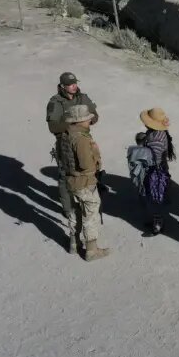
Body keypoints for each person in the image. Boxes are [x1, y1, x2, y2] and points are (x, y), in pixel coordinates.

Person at [46, 72, 98, 254]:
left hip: (83, 139)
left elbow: (95, 114)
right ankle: (69, 209)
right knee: (66, 176)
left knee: (84, 175)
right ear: (62, 86)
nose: (74, 86)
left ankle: (79, 213)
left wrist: (89, 119)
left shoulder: (82, 97)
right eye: (70, 84)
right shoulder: (55, 102)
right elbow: (53, 127)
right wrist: (74, 125)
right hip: (65, 144)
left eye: (75, 83)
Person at [64, 104, 110, 261]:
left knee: (75, 212)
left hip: (71, 181)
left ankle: (74, 244)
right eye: (87, 119)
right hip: (85, 182)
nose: (89, 121)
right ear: (79, 121)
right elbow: (85, 165)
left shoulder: (67, 135)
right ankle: (91, 250)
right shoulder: (82, 140)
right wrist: (95, 154)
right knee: (90, 214)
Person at [140, 107, 175, 235]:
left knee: (155, 197)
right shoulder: (159, 133)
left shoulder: (155, 139)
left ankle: (158, 224)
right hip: (159, 169)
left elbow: (153, 158)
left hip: (155, 171)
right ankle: (155, 219)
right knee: (154, 196)